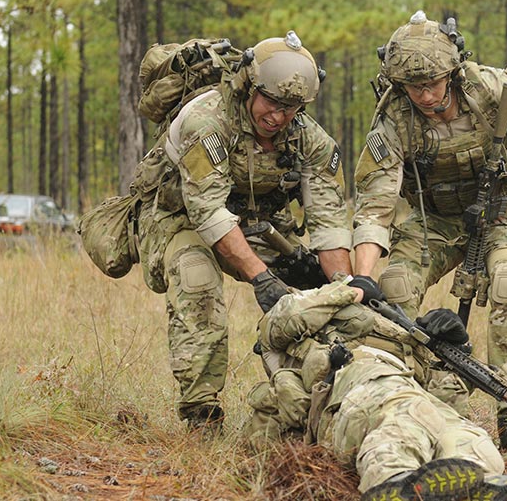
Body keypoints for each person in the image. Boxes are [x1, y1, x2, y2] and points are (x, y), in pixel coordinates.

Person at [351, 11, 507, 459]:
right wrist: (361, 279)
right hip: (434, 218)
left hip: (502, 207)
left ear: (451, 73)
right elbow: (375, 206)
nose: (427, 95)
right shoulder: (392, 122)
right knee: (392, 288)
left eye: (434, 83)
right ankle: (405, 403)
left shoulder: (488, 86)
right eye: (414, 88)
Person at [128, 31, 352, 430]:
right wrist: (263, 279)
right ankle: (201, 411)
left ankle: (311, 401)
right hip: (179, 217)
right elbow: (209, 212)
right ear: (249, 87)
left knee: (315, 297)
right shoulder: (208, 121)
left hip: (256, 224)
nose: (278, 116)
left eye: (291, 107)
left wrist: (344, 287)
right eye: (271, 102)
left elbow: (330, 226)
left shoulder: (311, 140)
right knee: (198, 278)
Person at [244, 281, 507, 501]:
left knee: (474, 443)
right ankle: (392, 482)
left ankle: (488, 488)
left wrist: (457, 344)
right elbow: (279, 322)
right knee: (407, 413)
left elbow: (447, 397)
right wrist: (350, 290)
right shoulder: (307, 313)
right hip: (349, 384)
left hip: (406, 392)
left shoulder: (394, 327)